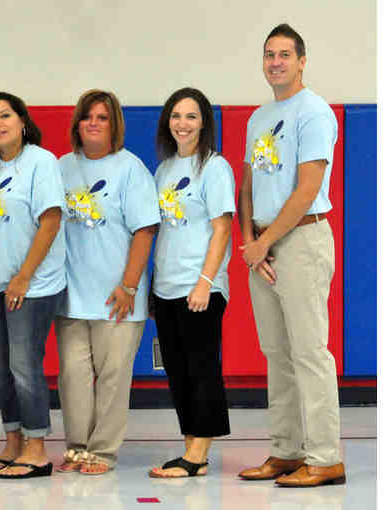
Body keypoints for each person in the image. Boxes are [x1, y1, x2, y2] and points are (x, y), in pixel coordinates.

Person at [237, 24, 345, 487]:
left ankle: (325, 457)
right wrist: (251, 243)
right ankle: (287, 450)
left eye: (284, 54)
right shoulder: (258, 118)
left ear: (302, 61)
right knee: (276, 354)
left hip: (300, 241)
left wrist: (267, 242)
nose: (275, 62)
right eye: (269, 54)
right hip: (261, 246)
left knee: (309, 352)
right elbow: (247, 185)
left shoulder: (314, 112)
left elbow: (308, 187)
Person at [54, 89, 160, 475]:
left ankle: (103, 451)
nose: (93, 124)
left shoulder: (130, 168)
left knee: (113, 379)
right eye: (87, 117)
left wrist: (129, 285)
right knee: (73, 377)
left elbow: (145, 230)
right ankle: (77, 447)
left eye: (102, 117)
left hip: (118, 295)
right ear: (77, 124)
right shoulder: (62, 167)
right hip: (71, 294)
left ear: (114, 125)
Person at [0, 92, 66, 479]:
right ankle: (13, 442)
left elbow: (50, 220)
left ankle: (37, 448)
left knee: (24, 366)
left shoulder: (41, 162)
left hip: (33, 284)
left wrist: (24, 276)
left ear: (22, 121)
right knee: (1, 369)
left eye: (5, 115)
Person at [147, 87, 235, 478]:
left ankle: (198, 454)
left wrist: (205, 282)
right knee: (178, 370)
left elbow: (222, 229)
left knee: (201, 368)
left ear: (204, 123)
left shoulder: (214, 167)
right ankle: (191, 450)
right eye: (176, 116)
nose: (182, 124)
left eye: (191, 116)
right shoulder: (164, 169)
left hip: (199, 287)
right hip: (166, 287)